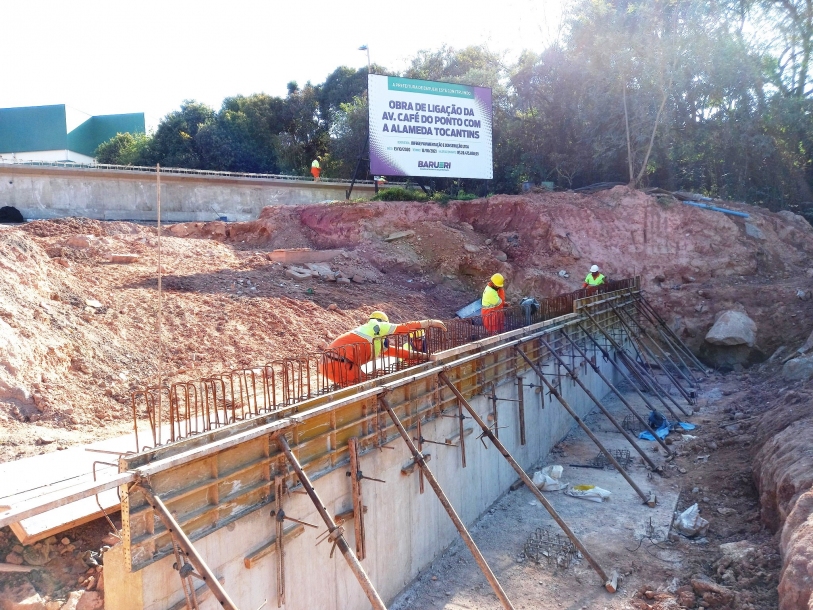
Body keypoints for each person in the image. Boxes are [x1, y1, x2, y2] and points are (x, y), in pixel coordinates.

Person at [321, 311, 447, 385]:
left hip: (329, 364)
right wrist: (429, 322)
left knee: (362, 385)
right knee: (369, 389)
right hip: (339, 363)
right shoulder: (376, 326)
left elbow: (398, 352)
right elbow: (402, 328)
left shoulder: (373, 339)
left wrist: (426, 356)